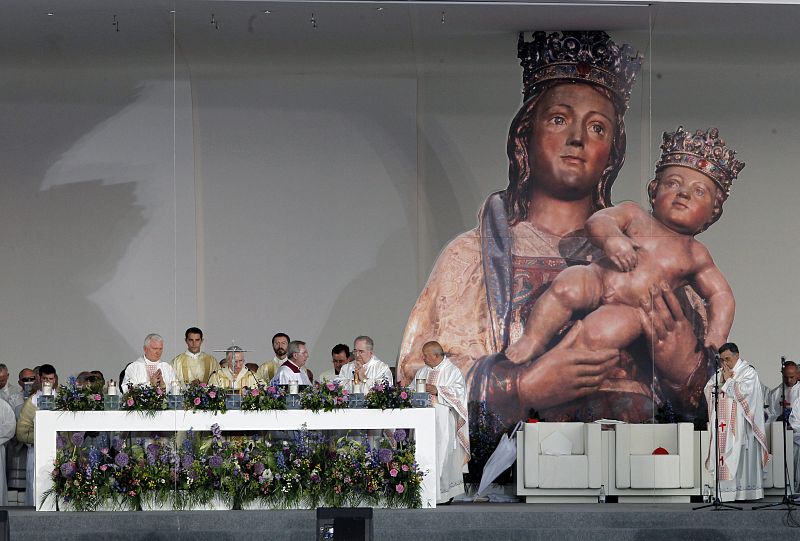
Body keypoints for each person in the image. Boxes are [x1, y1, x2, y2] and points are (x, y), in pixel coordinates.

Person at [398, 31, 711, 427]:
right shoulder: (471, 257)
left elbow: (712, 393)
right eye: (559, 120)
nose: (577, 139)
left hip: (637, 456)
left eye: (597, 128)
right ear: (525, 137)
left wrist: (685, 371)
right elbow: (418, 374)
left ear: (612, 153)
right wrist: (524, 387)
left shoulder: (651, 255)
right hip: (518, 459)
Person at [506, 126, 742, 368]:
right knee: (565, 286)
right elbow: (599, 221)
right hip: (597, 278)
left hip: (633, 309)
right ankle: (533, 339)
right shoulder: (635, 214)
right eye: (673, 183)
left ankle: (559, 365)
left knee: (598, 334)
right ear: (654, 190)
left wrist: (717, 334)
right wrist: (613, 240)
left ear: (713, 212)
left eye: (699, 192)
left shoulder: (696, 254)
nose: (683, 193)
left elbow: (721, 295)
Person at [704, 343, 768, 502]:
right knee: (723, 456)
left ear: (737, 355)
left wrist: (728, 381)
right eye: (722, 360)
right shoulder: (720, 373)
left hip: (743, 428)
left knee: (744, 461)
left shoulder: (748, 372)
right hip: (723, 426)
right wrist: (720, 382)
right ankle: (726, 494)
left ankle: (746, 493)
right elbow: (708, 388)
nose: (725, 363)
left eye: (728, 359)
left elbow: (745, 393)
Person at [413, 341, 470, 503]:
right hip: (423, 420)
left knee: (443, 453)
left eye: (426, 355)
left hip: (443, 420)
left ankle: (444, 494)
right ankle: (424, 491)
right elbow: (411, 390)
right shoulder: (422, 371)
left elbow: (459, 393)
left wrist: (437, 390)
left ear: (436, 355)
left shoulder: (452, 371)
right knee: (423, 453)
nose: (423, 358)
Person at [16, 363, 58, 506]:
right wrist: (42, 437)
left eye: (51, 379)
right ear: (39, 379)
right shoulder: (32, 402)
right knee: (36, 488)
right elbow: (22, 432)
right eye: (45, 379)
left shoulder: (62, 400)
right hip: (36, 451)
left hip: (57, 451)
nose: (48, 382)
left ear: (55, 379)